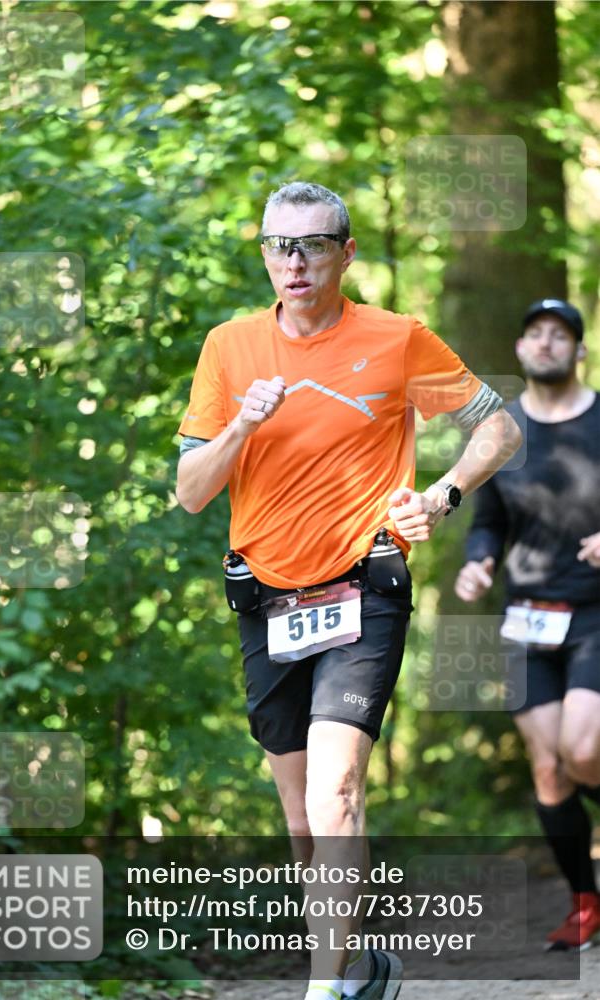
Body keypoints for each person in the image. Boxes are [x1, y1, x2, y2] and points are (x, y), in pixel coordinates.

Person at [177, 181, 521, 1000]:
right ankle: (359, 964)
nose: (292, 262)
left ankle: (321, 989)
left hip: (363, 585)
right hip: (265, 597)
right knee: (302, 822)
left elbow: (498, 425)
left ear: (346, 252)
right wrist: (240, 426)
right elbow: (191, 491)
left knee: (338, 790)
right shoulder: (229, 348)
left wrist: (441, 496)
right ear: (263, 254)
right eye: (277, 246)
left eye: (311, 245)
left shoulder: (396, 339)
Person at [454, 298, 600, 951]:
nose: (545, 343)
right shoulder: (500, 432)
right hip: (526, 619)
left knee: (584, 751)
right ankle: (584, 904)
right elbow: (487, 521)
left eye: (559, 335)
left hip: (595, 611)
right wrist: (477, 562)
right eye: (534, 333)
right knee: (548, 771)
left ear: (577, 350)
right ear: (518, 350)